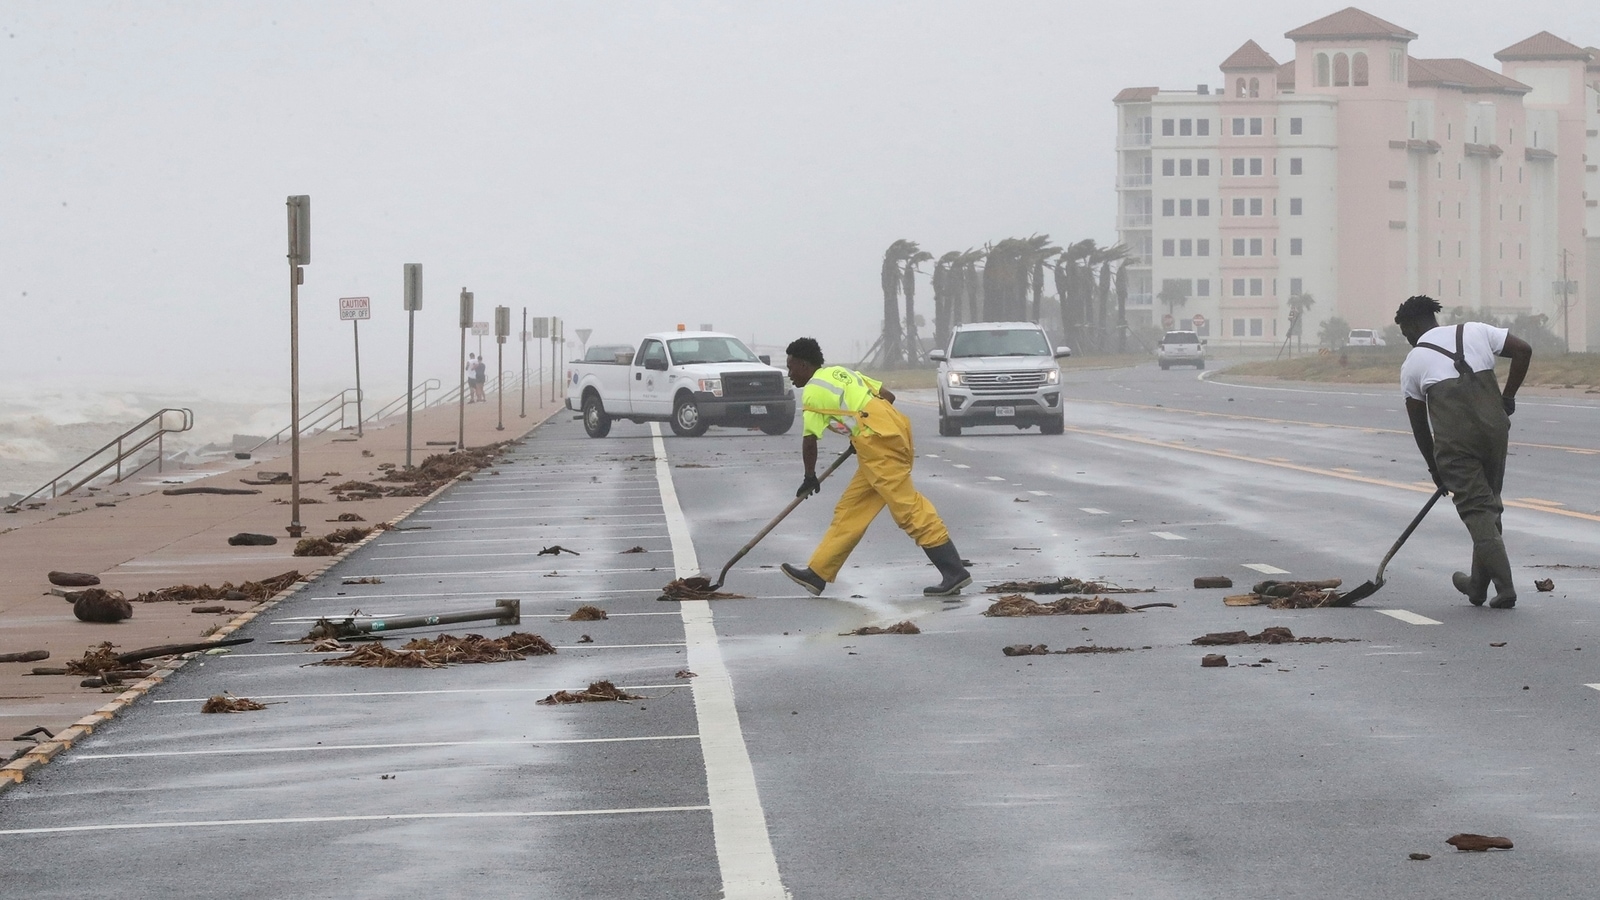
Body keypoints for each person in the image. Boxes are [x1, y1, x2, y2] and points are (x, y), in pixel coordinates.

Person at [778, 337, 971, 597]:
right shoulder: (842, 373)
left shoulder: (813, 390)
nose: (790, 374)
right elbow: (888, 397)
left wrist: (810, 476)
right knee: (851, 509)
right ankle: (818, 573)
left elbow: (809, 439)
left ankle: (954, 572)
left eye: (791, 368)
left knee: (907, 508)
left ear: (803, 365)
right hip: (888, 434)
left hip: (879, 444)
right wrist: (861, 430)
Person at [1394, 295, 1532, 609]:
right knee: (1488, 505)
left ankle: (1505, 587)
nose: (1408, 340)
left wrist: (1434, 468)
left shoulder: (1414, 362)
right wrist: (1508, 397)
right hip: (1495, 431)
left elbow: (1419, 425)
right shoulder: (1475, 331)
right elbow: (1523, 350)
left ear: (1414, 325)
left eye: (1406, 334)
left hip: (1456, 445)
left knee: (1477, 510)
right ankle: (1476, 586)